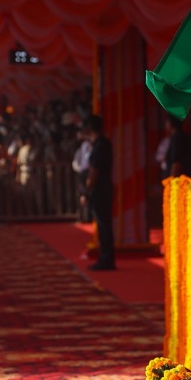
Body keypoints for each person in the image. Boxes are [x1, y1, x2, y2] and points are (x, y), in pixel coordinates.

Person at [82, 114, 115, 270]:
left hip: (100, 190)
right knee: (104, 225)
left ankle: (106, 258)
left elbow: (94, 171)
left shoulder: (100, 146)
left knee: (103, 225)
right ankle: (106, 257)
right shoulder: (104, 143)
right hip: (105, 188)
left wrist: (87, 190)